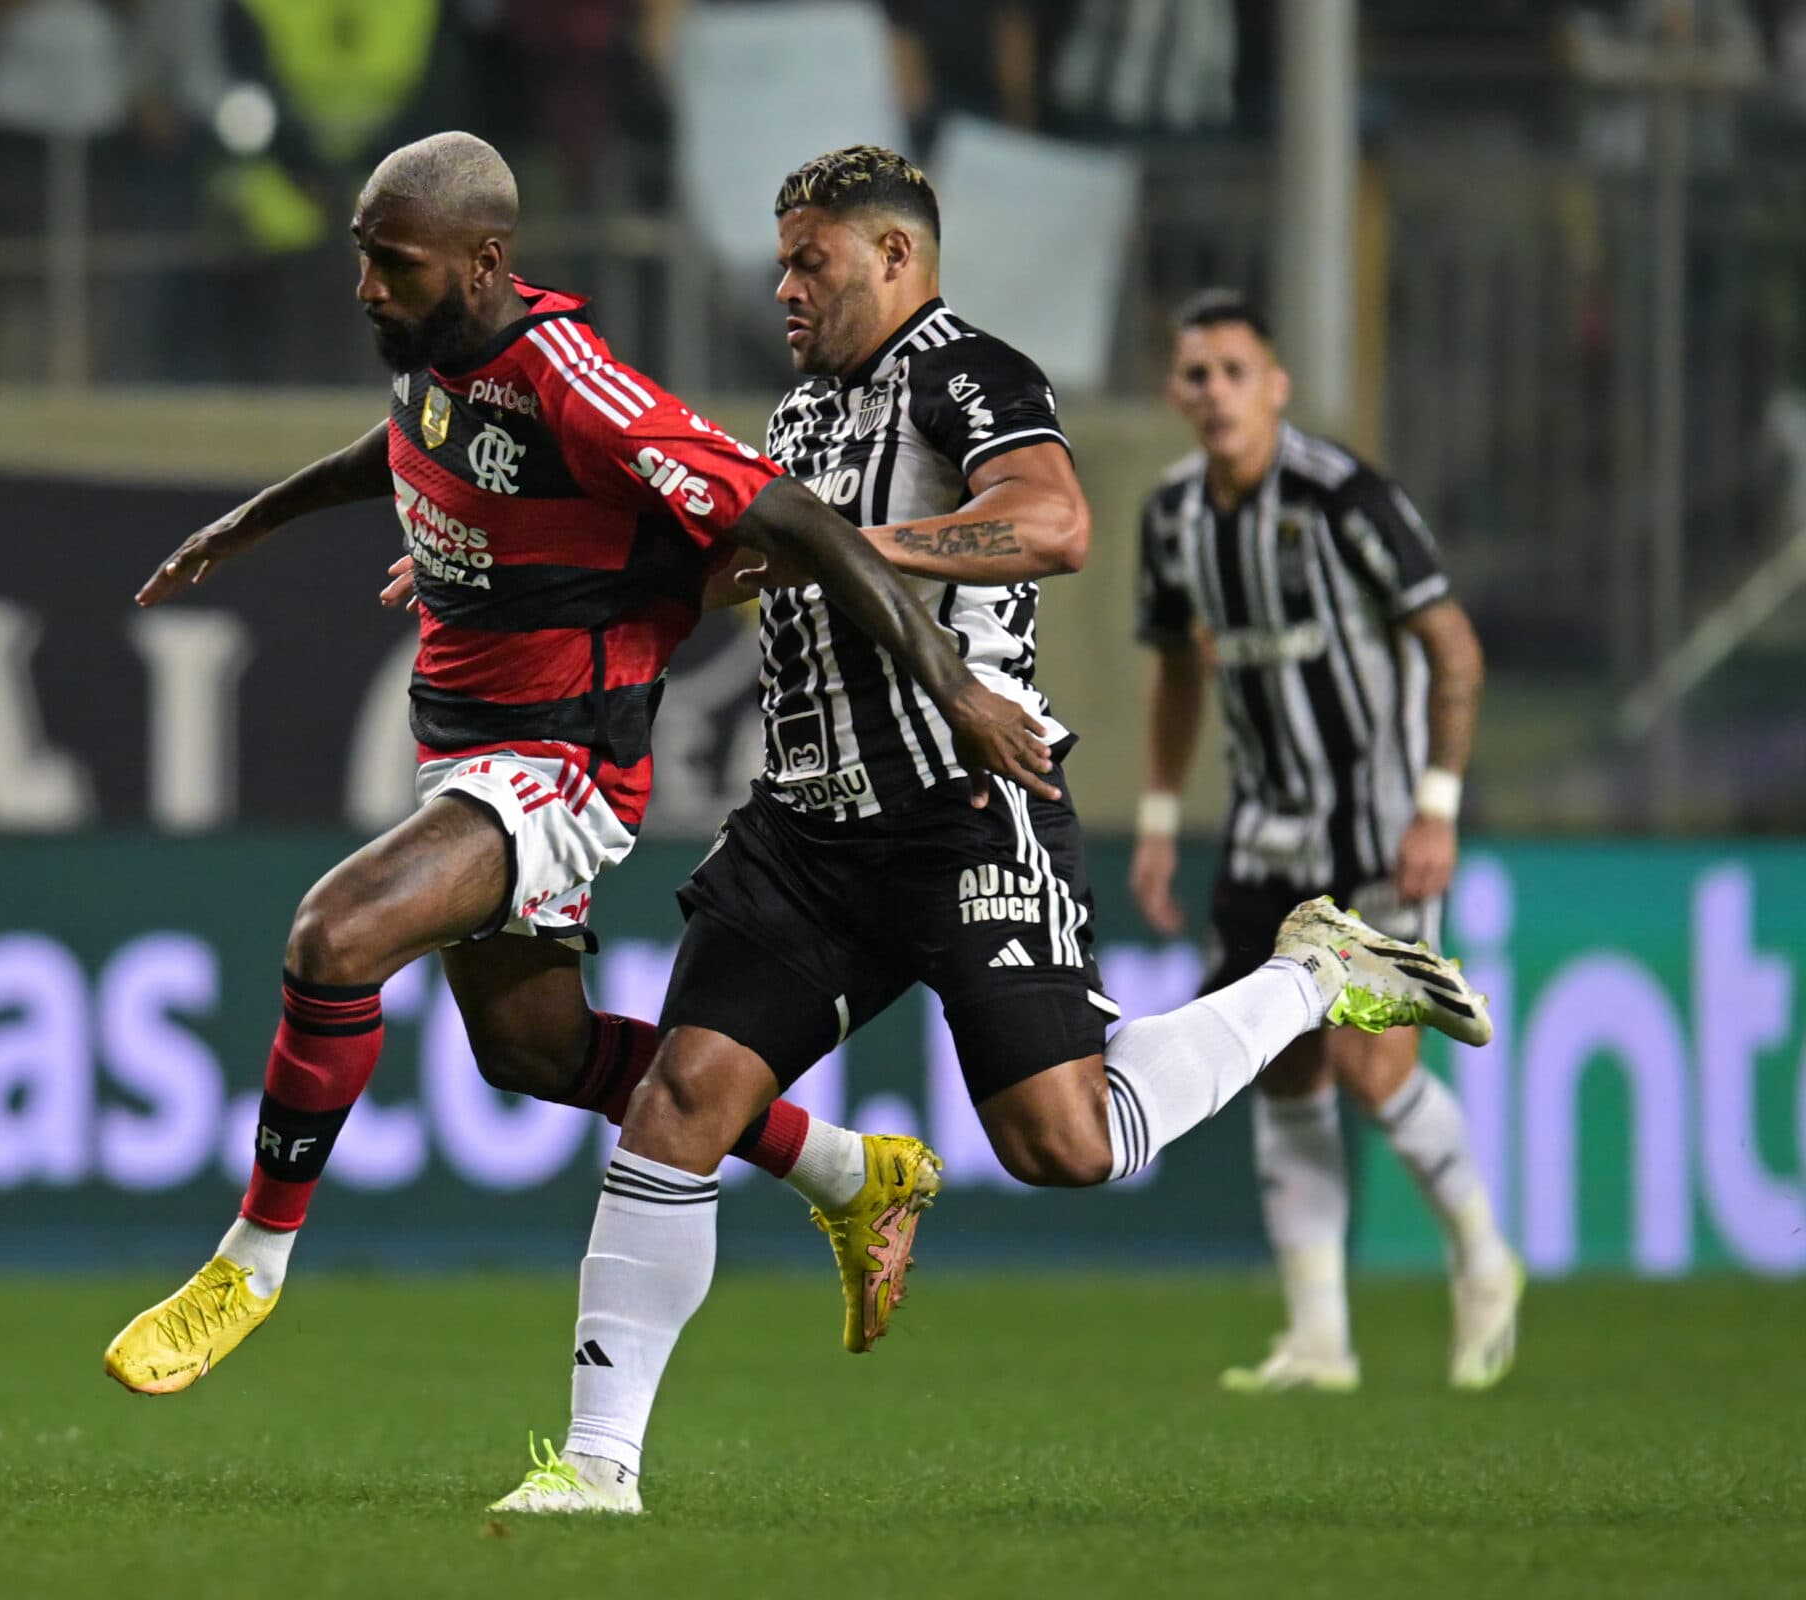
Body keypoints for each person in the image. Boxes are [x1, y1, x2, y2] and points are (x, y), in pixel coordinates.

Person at [485, 146, 1494, 1515]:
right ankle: (599, 1468)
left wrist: (854, 546)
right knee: (680, 1101)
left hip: (964, 811)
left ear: (895, 257)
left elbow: (1053, 521)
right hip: (807, 833)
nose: (785, 287)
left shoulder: (974, 374)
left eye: (811, 262)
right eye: (782, 261)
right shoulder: (802, 410)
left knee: (1065, 1146)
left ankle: (1311, 972)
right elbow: (730, 562)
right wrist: (545, 577)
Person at [103, 131, 1063, 1397]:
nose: (366, 288)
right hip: (464, 750)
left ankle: (250, 1264)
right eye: (362, 258)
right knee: (534, 1057)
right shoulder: (441, 357)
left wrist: (952, 688)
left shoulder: (577, 384)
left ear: (484, 260)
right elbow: (398, 443)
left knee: (333, 937)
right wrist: (246, 522)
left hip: (556, 767)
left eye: (391, 264)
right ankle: (848, 1168)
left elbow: (795, 518)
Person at [1129, 289, 1524, 1394]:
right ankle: (1320, 1338)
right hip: (1266, 834)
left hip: (1378, 829)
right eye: (1195, 374)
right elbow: (1175, 667)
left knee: (1368, 1061)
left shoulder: (1345, 496)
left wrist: (1438, 804)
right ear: (1176, 392)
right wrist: (1160, 816)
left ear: (1276, 383)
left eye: (1233, 371)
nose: (1214, 394)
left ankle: (1483, 1256)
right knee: (1284, 1068)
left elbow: (1453, 648)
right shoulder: (1171, 520)